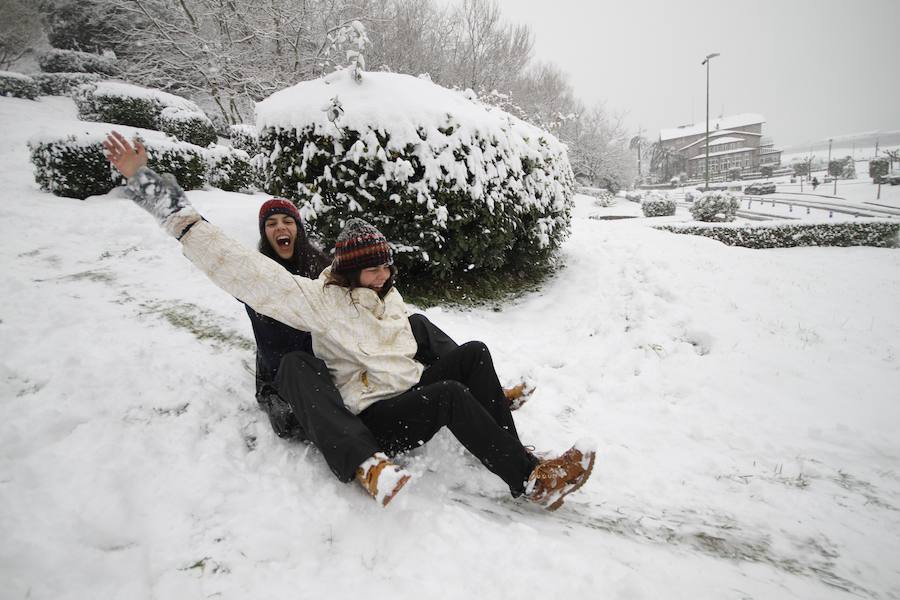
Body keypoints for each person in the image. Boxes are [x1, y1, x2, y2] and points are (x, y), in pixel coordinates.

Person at [103, 131, 595, 511]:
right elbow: (238, 265)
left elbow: (405, 335)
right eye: (374, 266)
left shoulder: (387, 294)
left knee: (473, 354)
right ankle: (530, 481)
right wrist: (154, 191)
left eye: (387, 264)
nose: (384, 273)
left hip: (399, 389)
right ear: (352, 270)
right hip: (374, 414)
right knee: (448, 396)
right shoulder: (321, 299)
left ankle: (516, 449)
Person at [249, 198, 532, 440]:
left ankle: (483, 391)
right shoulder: (260, 278)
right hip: (301, 363)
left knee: (416, 323)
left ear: (298, 228)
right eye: (271, 224)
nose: (281, 228)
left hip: (343, 346)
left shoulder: (320, 266)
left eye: (288, 220)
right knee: (303, 380)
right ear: (264, 232)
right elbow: (275, 339)